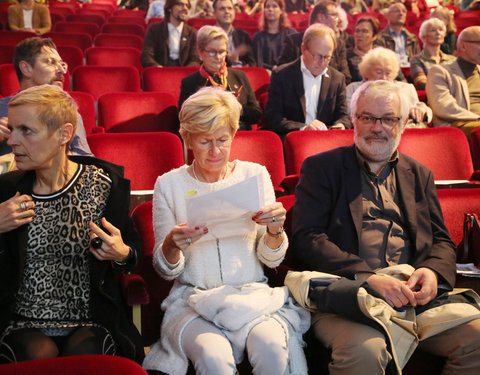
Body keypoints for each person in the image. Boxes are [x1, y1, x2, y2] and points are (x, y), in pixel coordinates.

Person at [292, 79, 480, 375]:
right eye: (367, 117)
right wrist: (367, 276)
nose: (376, 127)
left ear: (404, 123)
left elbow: (442, 241)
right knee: (367, 350)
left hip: (412, 298)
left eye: (388, 119)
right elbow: (308, 238)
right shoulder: (321, 169)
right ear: (353, 119)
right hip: (348, 296)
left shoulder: (419, 174)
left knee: (478, 337)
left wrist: (431, 272)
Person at [142, 86, 310, 375]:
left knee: (272, 350)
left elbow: (270, 260)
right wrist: (171, 244)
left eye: (223, 140)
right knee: (214, 358)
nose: (216, 151)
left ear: (233, 135)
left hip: (251, 295)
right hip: (192, 300)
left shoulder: (254, 175)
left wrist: (274, 231)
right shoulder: (169, 185)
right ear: (189, 139)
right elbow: (166, 270)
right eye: (205, 141)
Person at [0, 85, 144, 365]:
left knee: (86, 357)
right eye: (12, 129)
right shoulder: (6, 189)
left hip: (90, 320)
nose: (13, 141)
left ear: (64, 134)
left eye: (26, 131)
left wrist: (122, 253)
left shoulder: (103, 184)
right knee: (35, 355)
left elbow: (131, 251)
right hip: (22, 322)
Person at [0, 37, 92, 173]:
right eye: (51, 63)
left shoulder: (69, 113)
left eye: (62, 64)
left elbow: (86, 162)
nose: (61, 71)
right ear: (26, 68)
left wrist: (52, 151)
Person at [265, 24, 350, 138]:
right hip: (294, 139)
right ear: (303, 49)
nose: (322, 62)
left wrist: (340, 124)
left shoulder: (337, 78)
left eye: (327, 57)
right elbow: (273, 118)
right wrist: (303, 128)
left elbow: (343, 116)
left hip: (327, 141)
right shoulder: (282, 75)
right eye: (317, 56)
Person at [178, 26, 261, 130]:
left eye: (221, 52)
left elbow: (257, 115)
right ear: (200, 52)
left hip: (240, 136)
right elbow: (184, 120)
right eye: (212, 52)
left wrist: (239, 110)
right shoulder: (190, 82)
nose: (218, 57)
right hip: (208, 137)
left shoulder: (239, 76)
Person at [347, 47, 432, 127]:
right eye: (379, 72)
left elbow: (424, 109)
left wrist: (422, 110)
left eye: (388, 73)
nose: (384, 78)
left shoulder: (406, 88)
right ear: (367, 71)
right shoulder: (353, 89)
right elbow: (350, 114)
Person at [426, 26, 480, 141]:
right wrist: (477, 118)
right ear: (463, 45)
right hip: (458, 125)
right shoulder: (440, 71)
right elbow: (443, 107)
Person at [278, 1, 352, 84]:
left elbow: (346, 77)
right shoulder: (293, 41)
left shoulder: (339, 44)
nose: (339, 20)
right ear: (321, 17)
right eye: (335, 15)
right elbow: (283, 74)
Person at [140, 0, 201, 67]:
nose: (185, 8)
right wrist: (158, 68)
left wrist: (184, 72)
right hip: (160, 71)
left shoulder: (192, 32)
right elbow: (146, 56)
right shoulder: (154, 29)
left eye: (187, 6)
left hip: (185, 73)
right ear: (169, 8)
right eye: (180, 4)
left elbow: (195, 59)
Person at [410, 18, 455, 90]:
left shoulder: (452, 59)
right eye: (433, 30)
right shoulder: (416, 60)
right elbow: (421, 83)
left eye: (441, 30)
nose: (438, 33)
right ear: (424, 36)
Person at [252, 0, 296, 71]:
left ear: (281, 10)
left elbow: (295, 60)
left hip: (287, 72)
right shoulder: (258, 37)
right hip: (265, 73)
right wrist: (272, 68)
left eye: (274, 6)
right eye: (267, 6)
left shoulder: (291, 34)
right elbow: (257, 62)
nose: (270, 9)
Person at [376, 2, 420, 67]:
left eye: (404, 11)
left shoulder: (412, 38)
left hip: (412, 72)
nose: (401, 13)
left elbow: (418, 61)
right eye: (396, 11)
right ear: (387, 15)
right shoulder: (379, 38)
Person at [213, 0, 256, 67]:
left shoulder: (244, 36)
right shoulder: (207, 36)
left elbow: (252, 64)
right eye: (222, 9)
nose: (227, 12)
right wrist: (228, 59)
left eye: (230, 8)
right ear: (214, 14)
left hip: (241, 75)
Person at [347, 16, 382, 83]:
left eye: (364, 31)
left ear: (374, 36)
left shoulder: (381, 55)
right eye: (357, 31)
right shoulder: (346, 56)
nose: (359, 35)